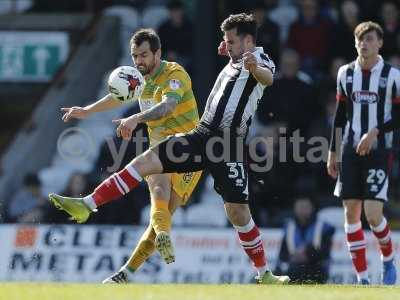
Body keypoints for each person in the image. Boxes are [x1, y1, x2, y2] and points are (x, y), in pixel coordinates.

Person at [49, 13, 289, 285]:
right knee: (143, 164)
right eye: (225, 40)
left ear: (248, 41)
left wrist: (254, 65)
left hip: (228, 145)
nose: (226, 45)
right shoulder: (234, 60)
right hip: (201, 134)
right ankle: (87, 204)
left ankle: (264, 274)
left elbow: (267, 78)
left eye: (231, 40)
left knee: (238, 213)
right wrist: (234, 55)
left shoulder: (259, 58)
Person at [56, 28, 202, 283]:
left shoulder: (174, 74)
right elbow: (118, 96)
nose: (138, 61)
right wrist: (87, 111)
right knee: (158, 204)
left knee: (160, 212)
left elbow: (167, 106)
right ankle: (127, 272)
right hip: (161, 150)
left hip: (189, 150)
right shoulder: (140, 78)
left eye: (144, 55)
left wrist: (136, 117)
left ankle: (92, 206)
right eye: (135, 56)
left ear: (158, 53)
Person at [327, 21, 399, 285]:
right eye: (360, 39)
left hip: (380, 150)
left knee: (373, 214)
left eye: (369, 39)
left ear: (380, 43)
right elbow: (339, 116)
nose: (364, 44)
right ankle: (363, 279)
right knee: (350, 213)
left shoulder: (393, 76)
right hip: (349, 150)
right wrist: (332, 151)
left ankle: (388, 259)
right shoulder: (345, 74)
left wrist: (376, 132)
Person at [275, 197, 335, 284]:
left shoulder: (324, 227)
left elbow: (325, 254)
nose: (302, 210)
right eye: (299, 207)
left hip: (316, 269)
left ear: (312, 208)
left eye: (305, 207)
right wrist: (293, 257)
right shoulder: (289, 227)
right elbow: (282, 255)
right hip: (293, 267)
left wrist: (307, 254)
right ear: (294, 208)